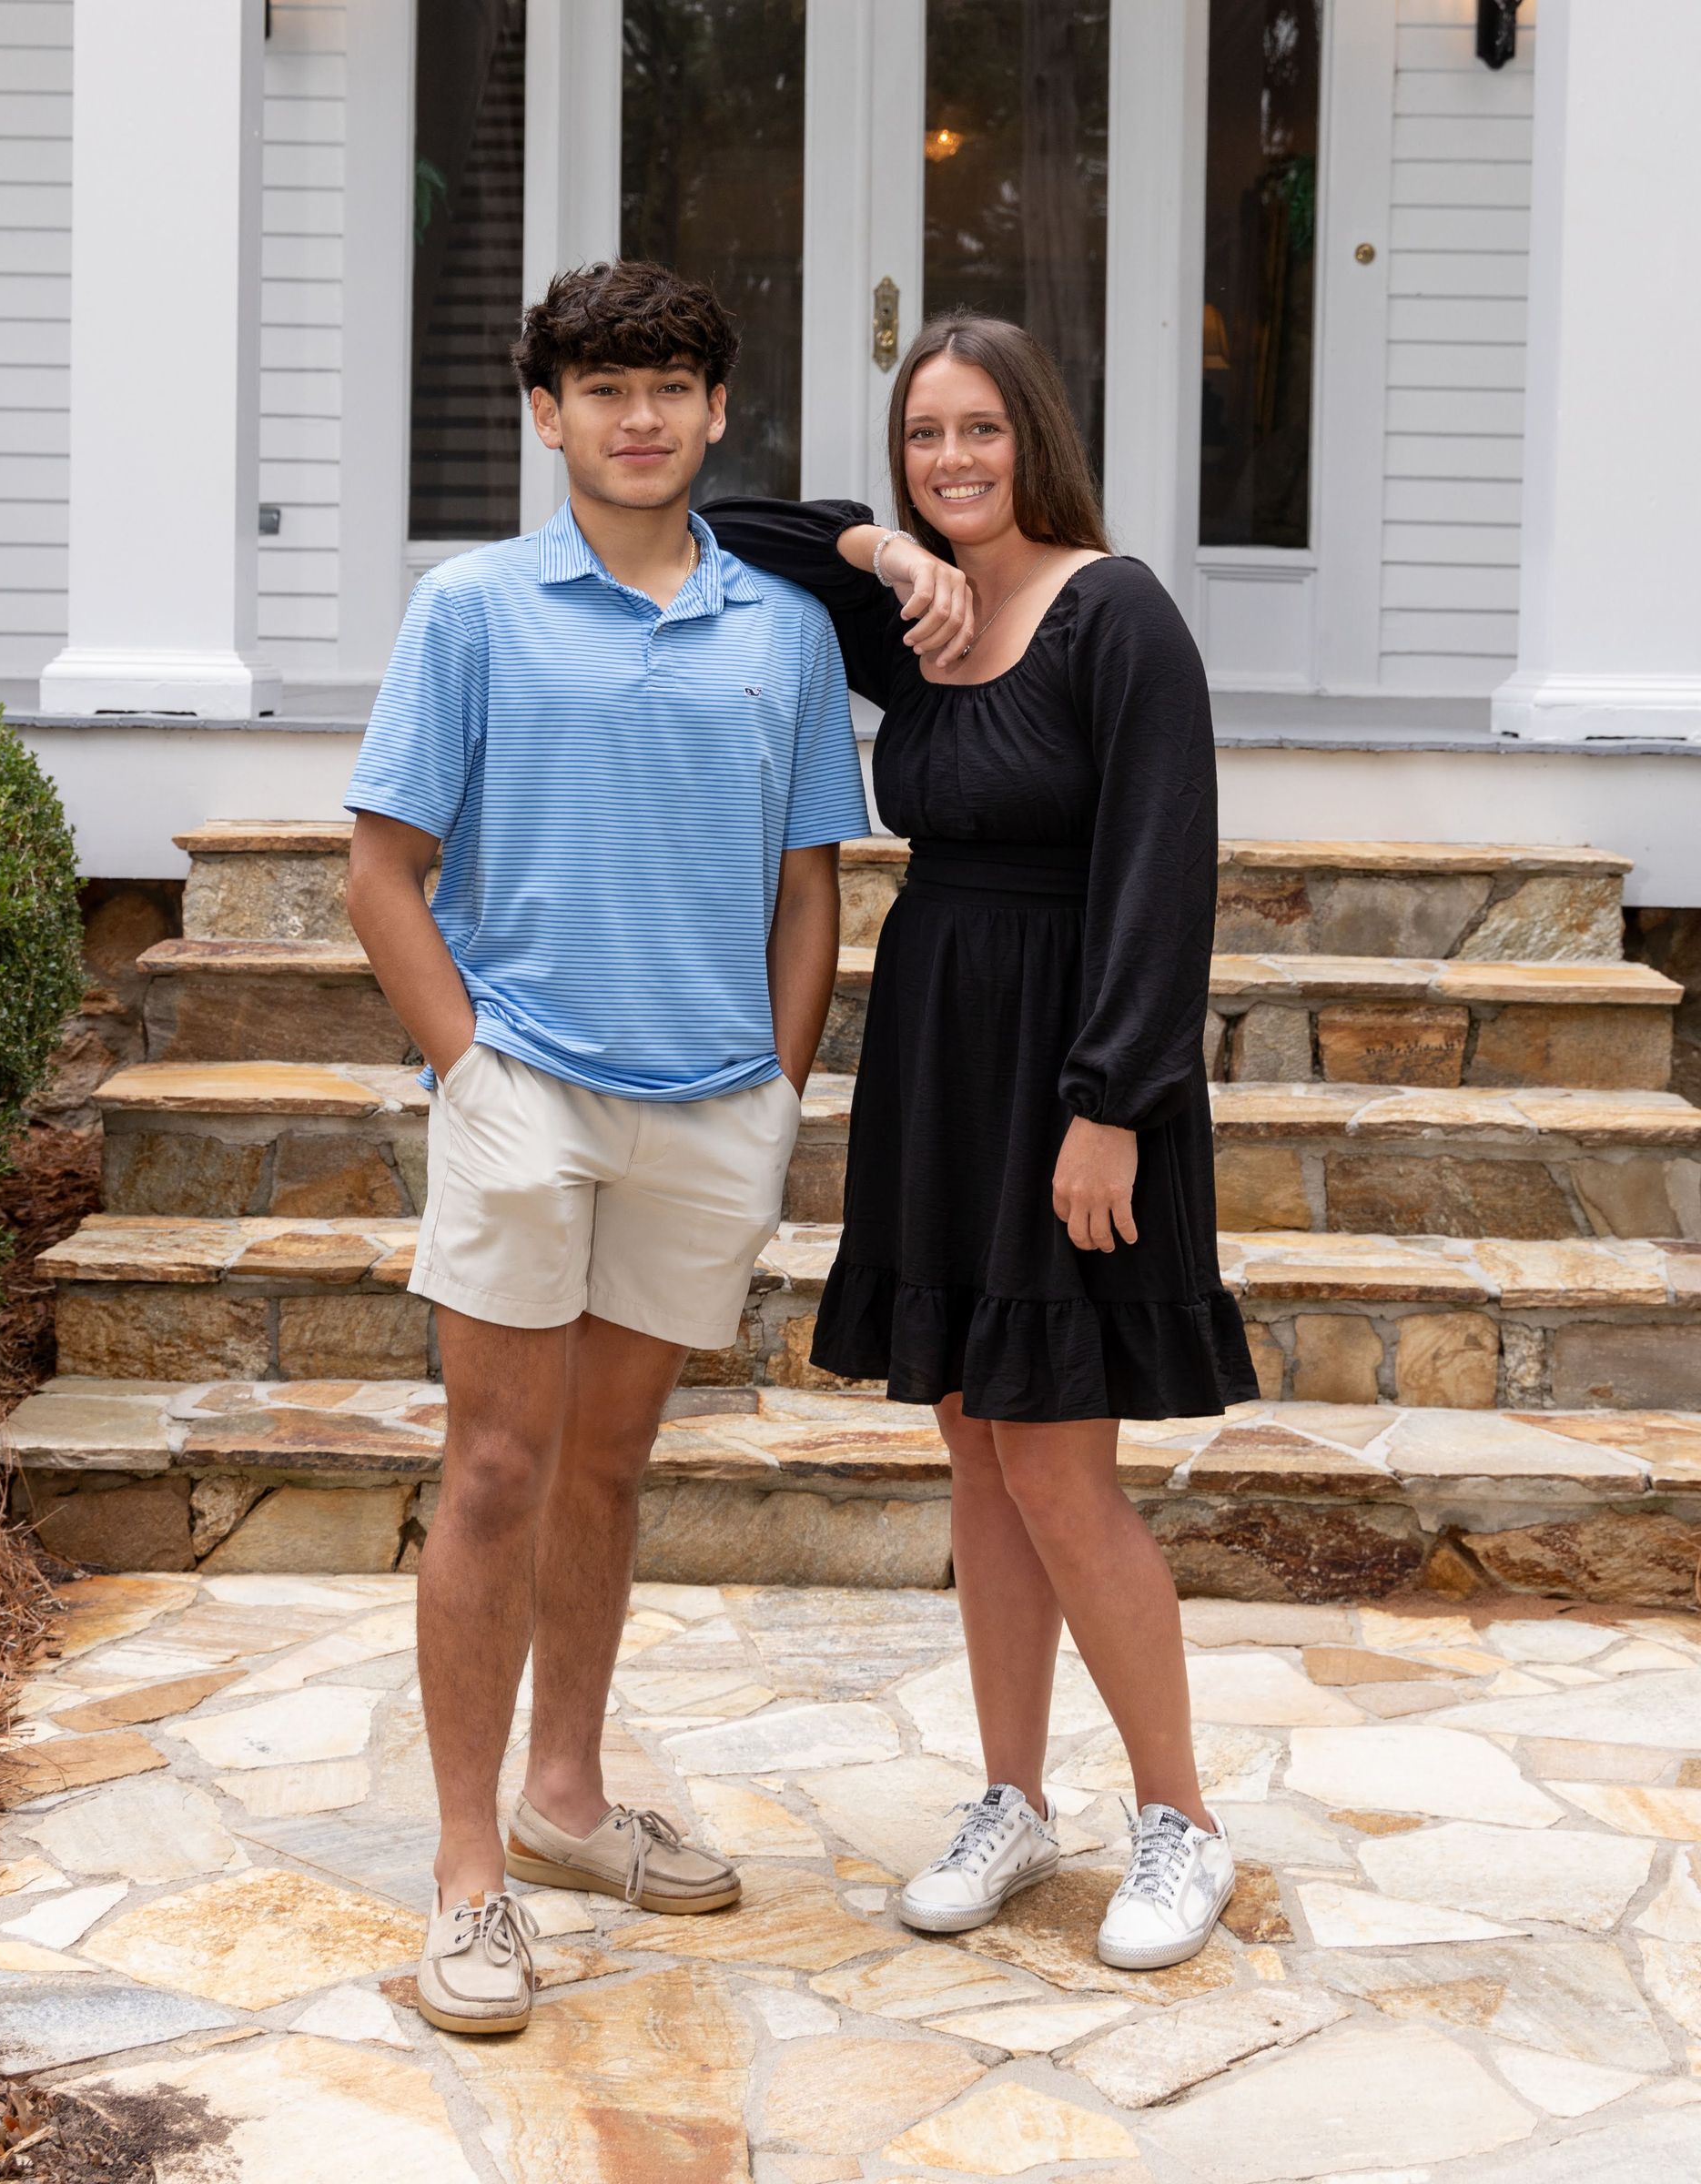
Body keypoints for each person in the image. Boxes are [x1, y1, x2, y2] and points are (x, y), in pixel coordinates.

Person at [345, 259, 869, 2035]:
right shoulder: (473, 610)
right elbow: (382, 872)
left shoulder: (781, 632)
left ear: (719, 414)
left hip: (710, 1101)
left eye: (670, 386)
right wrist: (468, 1068)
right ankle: (470, 1873)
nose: (637, 416)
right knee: (495, 1467)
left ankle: (566, 1804)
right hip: (529, 1095)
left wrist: (778, 1089)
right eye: (602, 387)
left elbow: (812, 889)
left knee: (611, 1468)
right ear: (547, 414)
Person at [704, 311, 1257, 1972]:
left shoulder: (1118, 610)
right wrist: (879, 550)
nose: (954, 463)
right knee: (971, 1446)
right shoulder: (912, 617)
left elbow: (1167, 876)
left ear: (1040, 439)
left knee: (1059, 1466)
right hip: (942, 1054)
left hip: (1075, 1070)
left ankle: (1183, 1821)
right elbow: (724, 527)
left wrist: (1111, 1108)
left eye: (981, 434)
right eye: (923, 437)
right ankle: (1013, 1799)